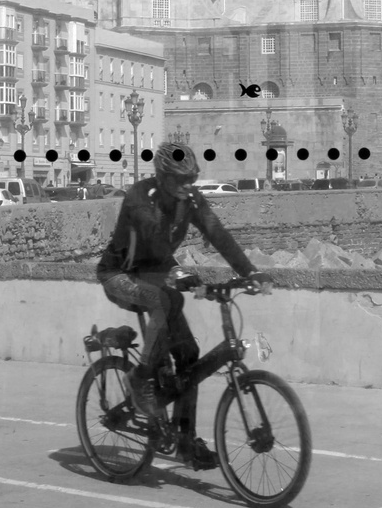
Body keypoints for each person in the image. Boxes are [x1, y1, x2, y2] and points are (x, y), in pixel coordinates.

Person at [96, 142, 268, 470]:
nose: (189, 185)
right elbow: (154, 240)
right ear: (162, 177)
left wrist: (250, 272)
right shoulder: (140, 198)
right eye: (181, 179)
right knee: (164, 299)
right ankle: (141, 378)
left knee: (189, 360)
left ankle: (186, 441)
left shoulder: (189, 199)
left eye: (193, 178)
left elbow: (218, 233)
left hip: (156, 275)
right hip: (119, 275)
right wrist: (181, 275)